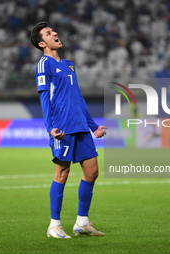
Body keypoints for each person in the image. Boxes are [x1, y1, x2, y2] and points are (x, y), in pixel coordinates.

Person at [31, 21, 107, 239]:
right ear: (41, 43)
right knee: (62, 173)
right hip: (62, 128)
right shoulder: (43, 65)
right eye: (48, 33)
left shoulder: (69, 65)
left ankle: (82, 223)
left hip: (81, 126)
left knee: (92, 172)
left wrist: (93, 126)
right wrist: (51, 128)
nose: (54, 33)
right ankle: (54, 225)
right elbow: (45, 99)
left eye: (53, 30)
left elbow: (78, 97)